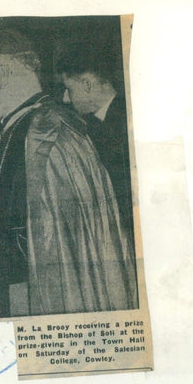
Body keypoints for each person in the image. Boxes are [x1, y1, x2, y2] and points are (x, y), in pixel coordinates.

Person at [0, 28, 137, 317]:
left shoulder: (42, 136)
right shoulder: (32, 125)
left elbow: (50, 248)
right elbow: (18, 221)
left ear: (2, 74)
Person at [58, 42, 134, 242]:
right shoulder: (109, 120)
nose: (65, 99)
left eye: (68, 89)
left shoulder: (123, 125)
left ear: (87, 85)